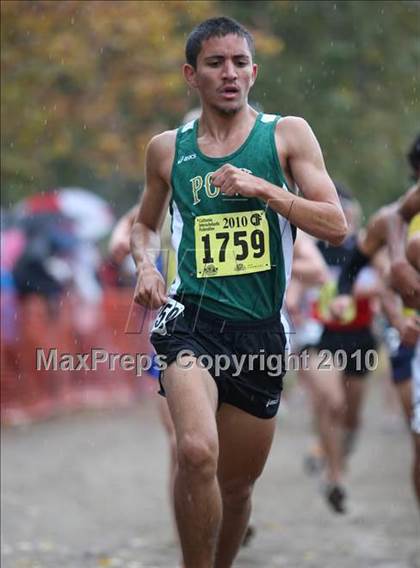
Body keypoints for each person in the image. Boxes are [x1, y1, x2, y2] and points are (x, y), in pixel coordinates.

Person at [131, 17, 347, 567]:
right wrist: (147, 266)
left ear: (254, 71)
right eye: (215, 63)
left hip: (259, 332)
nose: (229, 73)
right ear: (191, 74)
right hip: (190, 321)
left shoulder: (286, 135)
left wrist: (265, 189)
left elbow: (334, 224)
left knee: (237, 488)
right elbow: (143, 224)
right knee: (196, 452)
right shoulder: (166, 150)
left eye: (239, 63)